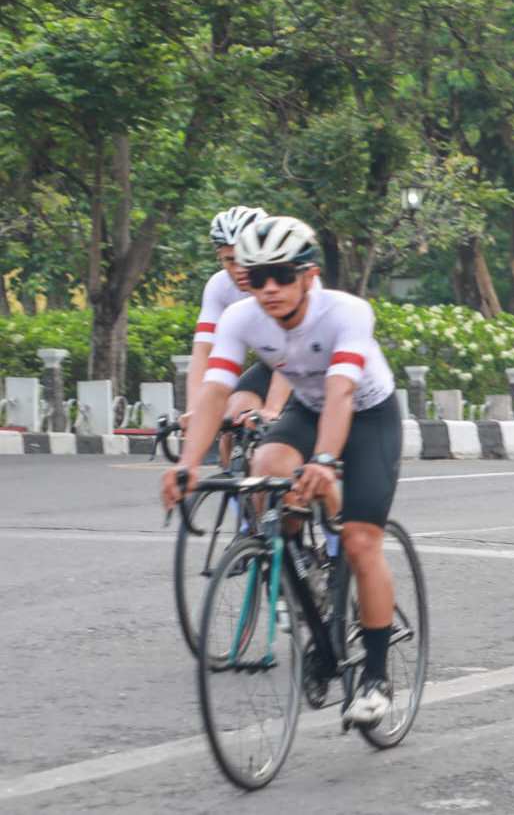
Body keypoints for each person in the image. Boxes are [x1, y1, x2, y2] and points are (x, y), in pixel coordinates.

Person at [160, 215, 401, 728]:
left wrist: (325, 461)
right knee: (265, 475)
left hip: (368, 415)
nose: (269, 288)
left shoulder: (346, 312)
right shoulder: (242, 317)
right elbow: (214, 393)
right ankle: (310, 588)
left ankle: (377, 677)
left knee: (360, 541)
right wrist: (186, 464)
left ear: (308, 274)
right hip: (308, 411)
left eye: (282, 275)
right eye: (257, 275)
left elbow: (341, 393)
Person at [185, 206, 296, 442]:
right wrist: (195, 410)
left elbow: (292, 351)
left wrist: (273, 409)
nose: (238, 269)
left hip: (313, 368)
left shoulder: (288, 281)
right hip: (271, 366)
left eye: (246, 257)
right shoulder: (219, 286)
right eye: (229, 260)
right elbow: (204, 352)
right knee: (233, 421)